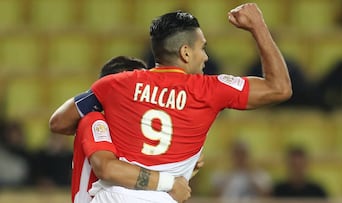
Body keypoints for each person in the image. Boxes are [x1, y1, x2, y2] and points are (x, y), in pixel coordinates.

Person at [50, 3, 292, 202]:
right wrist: (258, 26)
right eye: (202, 48)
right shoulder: (210, 90)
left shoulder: (115, 84)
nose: (206, 57)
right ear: (186, 53)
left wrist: (111, 118)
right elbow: (279, 88)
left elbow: (60, 122)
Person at [64, 56, 191, 202]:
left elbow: (141, 178)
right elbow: (107, 169)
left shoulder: (133, 133)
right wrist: (170, 183)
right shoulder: (95, 120)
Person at [246, 56, 342, 112]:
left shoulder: (285, 60)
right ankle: (328, 104)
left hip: (305, 91)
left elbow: (303, 77)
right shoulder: (256, 67)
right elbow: (253, 93)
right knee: (317, 98)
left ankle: (331, 101)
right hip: (284, 99)